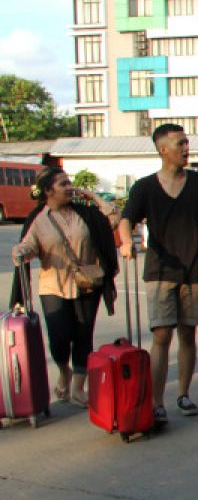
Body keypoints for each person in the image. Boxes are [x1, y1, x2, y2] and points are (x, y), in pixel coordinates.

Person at [118, 124, 198, 427]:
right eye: (180, 143)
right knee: (161, 336)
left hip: (193, 272)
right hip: (159, 272)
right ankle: (157, 403)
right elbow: (126, 219)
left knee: (188, 334)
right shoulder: (144, 187)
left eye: (187, 142)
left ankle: (183, 394)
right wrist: (127, 241)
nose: (186, 147)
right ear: (163, 149)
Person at [9, 167, 119, 407]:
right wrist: (21, 251)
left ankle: (78, 389)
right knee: (59, 337)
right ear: (48, 191)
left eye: (70, 183)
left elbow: (113, 216)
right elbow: (29, 245)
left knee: (83, 335)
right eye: (63, 184)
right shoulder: (38, 221)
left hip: (87, 283)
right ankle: (64, 371)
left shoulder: (85, 214)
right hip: (53, 286)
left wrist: (90, 195)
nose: (69, 187)